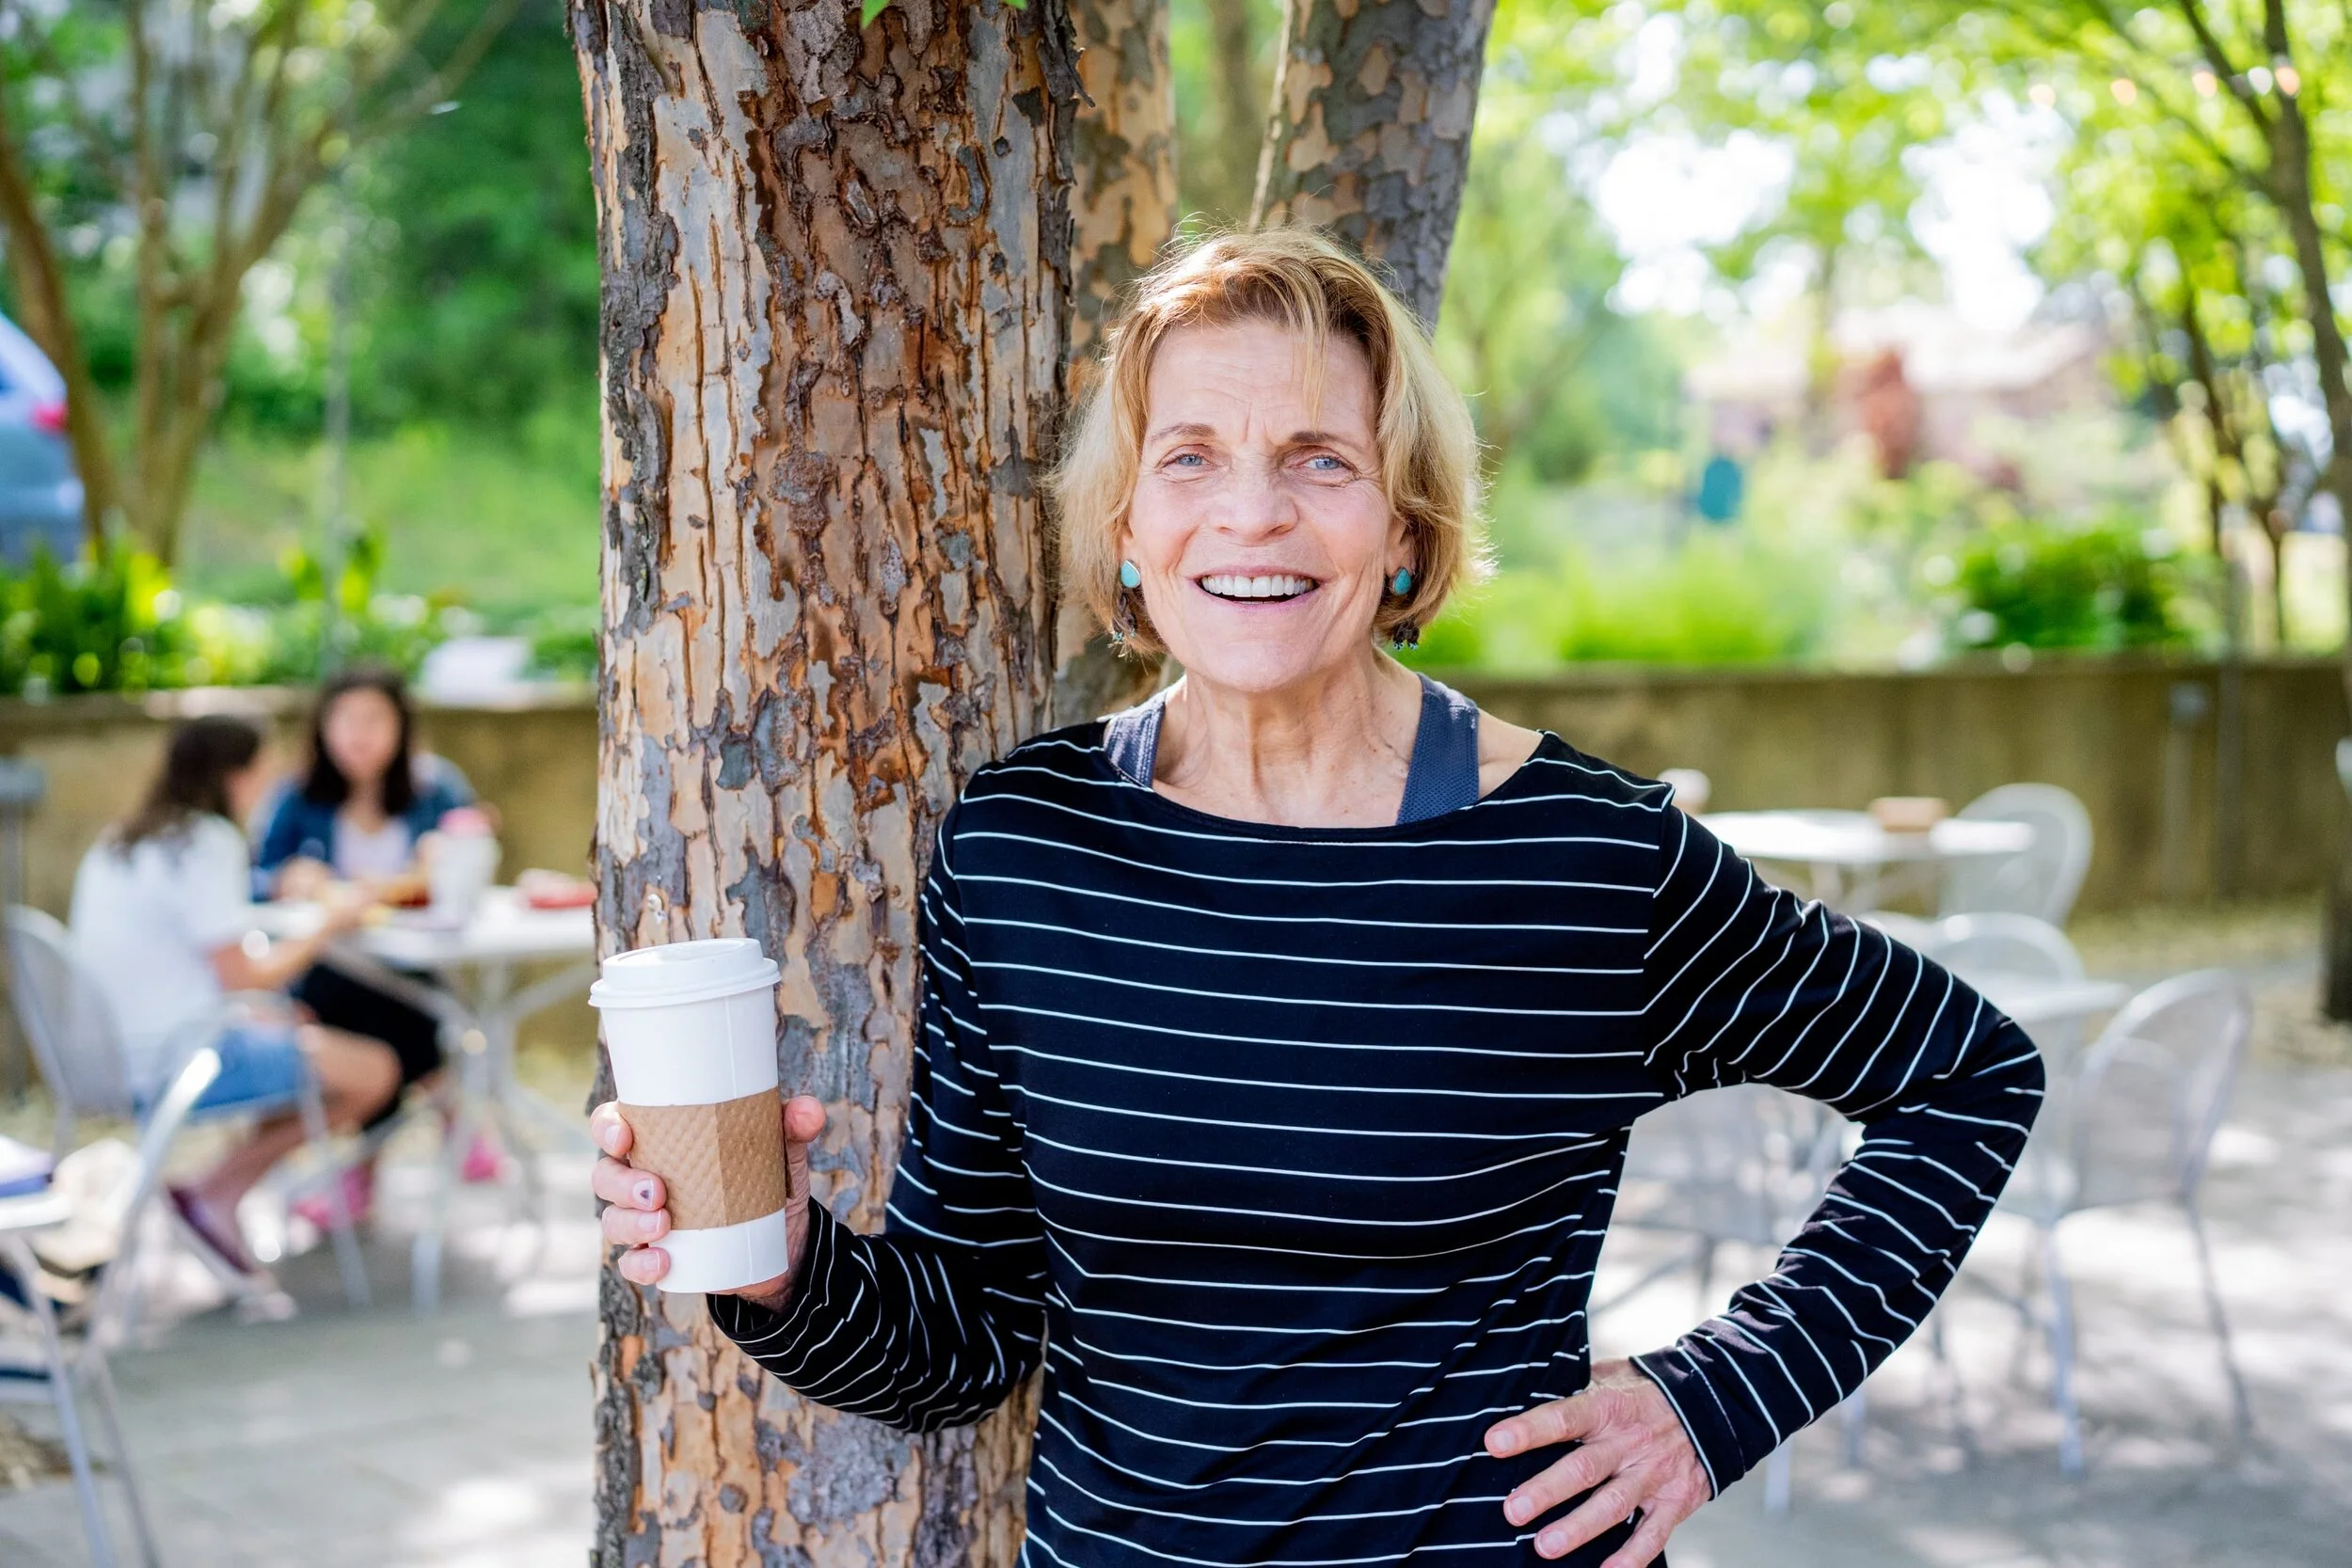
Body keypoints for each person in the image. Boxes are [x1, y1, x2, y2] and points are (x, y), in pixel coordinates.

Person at [591, 230, 2043, 1567]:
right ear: (1127, 526)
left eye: (1318, 460)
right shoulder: (1024, 846)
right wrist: (774, 1256)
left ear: (1405, 530)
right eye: (1193, 458)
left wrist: (1714, 1400)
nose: (1252, 514)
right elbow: (965, 1335)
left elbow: (1970, 1072)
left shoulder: (1584, 859)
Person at [69, 716, 402, 1275]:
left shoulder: (119, 841)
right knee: (375, 1071)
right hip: (177, 1063)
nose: (268, 787)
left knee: (299, 1038)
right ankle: (213, 1190)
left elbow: (186, 970)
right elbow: (245, 977)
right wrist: (328, 922)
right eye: (262, 772)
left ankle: (216, 1195)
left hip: (101, 1058)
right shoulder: (206, 842)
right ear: (234, 776)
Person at [254, 664, 489, 1212]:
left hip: (412, 961)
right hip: (327, 968)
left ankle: (360, 1172)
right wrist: (293, 880)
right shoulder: (296, 796)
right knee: (404, 1018)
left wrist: (453, 855)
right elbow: (256, 878)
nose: (360, 734)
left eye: (374, 720)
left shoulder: (437, 787)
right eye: (347, 720)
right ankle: (452, 1116)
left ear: (401, 728)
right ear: (323, 728)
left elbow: (471, 849)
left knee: (405, 1005)